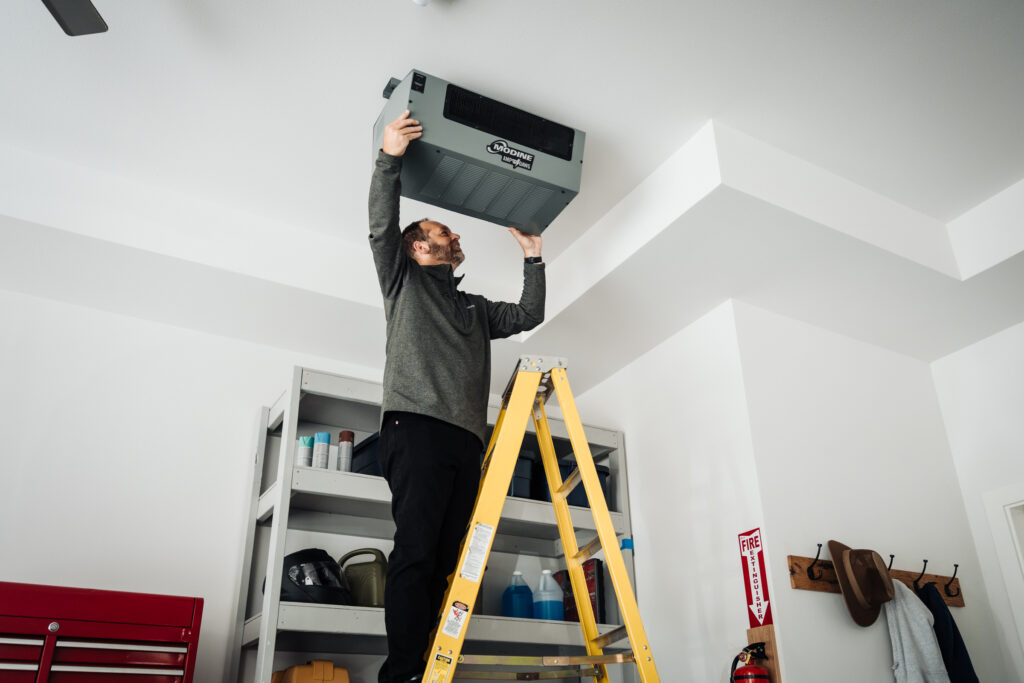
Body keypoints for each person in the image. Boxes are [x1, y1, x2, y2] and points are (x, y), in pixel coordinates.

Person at [368, 110, 546, 683]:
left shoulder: (474, 308)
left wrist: (533, 254)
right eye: (444, 232)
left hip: (466, 440)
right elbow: (380, 225)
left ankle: (422, 662)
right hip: (415, 427)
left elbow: (527, 314)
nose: (456, 235)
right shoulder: (403, 281)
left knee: (447, 560)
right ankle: (401, 674)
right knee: (417, 552)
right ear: (418, 249)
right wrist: (389, 157)